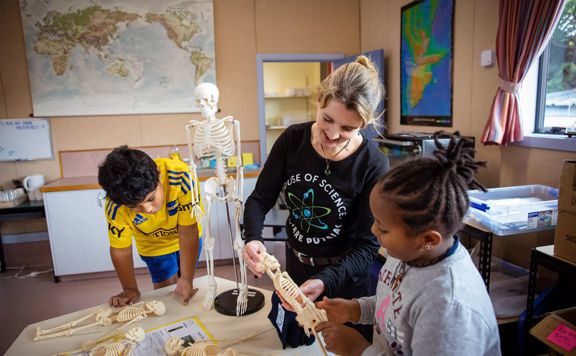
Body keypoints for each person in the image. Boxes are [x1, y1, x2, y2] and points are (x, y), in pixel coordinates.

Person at [242, 55, 389, 344]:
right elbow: (260, 198)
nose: (332, 135)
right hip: (296, 267)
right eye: (327, 119)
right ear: (319, 101)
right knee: (294, 342)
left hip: (345, 279)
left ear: (365, 124)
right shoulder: (292, 140)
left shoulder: (372, 164)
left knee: (340, 348)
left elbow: (367, 247)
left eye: (347, 129)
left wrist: (326, 280)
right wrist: (253, 238)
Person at [315, 133, 501, 356]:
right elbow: (395, 305)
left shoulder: (449, 310)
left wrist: (358, 349)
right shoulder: (407, 253)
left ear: (428, 239)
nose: (373, 231)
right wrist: (355, 309)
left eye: (383, 228)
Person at [98, 146, 203, 307]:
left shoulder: (182, 177)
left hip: (189, 233)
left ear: (159, 175)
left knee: (185, 285)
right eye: (136, 207)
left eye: (151, 198)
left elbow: (188, 232)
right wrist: (129, 288)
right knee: (168, 295)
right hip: (153, 245)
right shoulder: (116, 207)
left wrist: (187, 278)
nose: (148, 210)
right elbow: (121, 249)